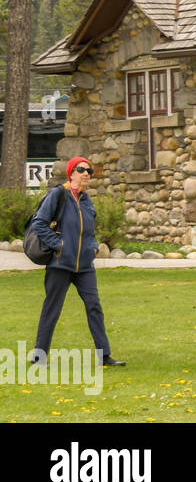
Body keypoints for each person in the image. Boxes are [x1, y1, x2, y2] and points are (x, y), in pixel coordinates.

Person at [30, 157, 124, 367]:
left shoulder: (86, 199)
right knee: (52, 309)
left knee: (94, 307)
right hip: (60, 264)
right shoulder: (58, 195)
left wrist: (93, 246)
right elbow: (39, 224)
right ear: (71, 173)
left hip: (84, 266)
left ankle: (104, 356)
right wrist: (59, 245)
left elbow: (89, 231)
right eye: (81, 169)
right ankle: (39, 357)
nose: (86, 174)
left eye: (89, 171)